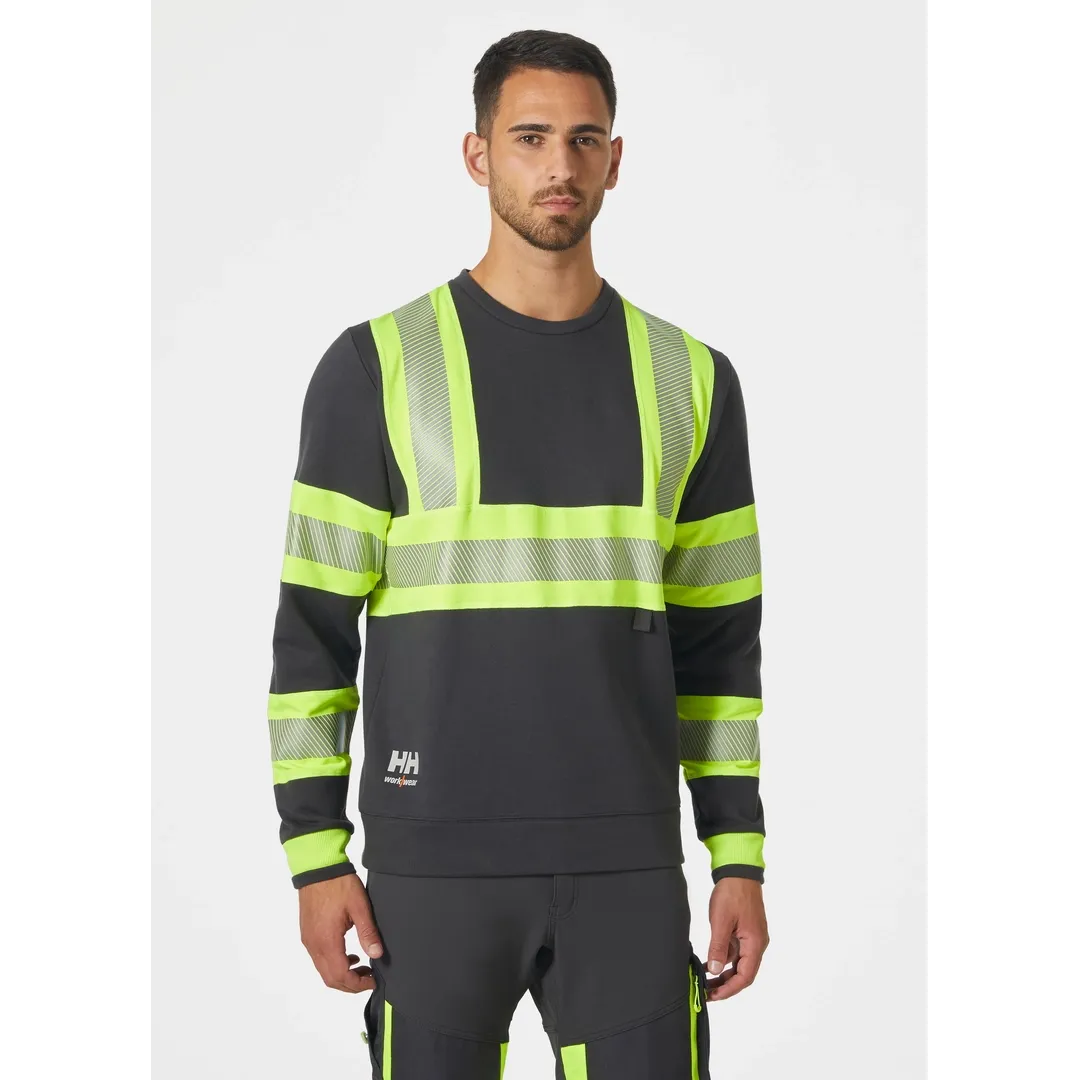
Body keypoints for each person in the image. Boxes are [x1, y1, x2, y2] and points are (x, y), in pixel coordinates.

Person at [266, 27, 769, 1079]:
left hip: (626, 866)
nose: (559, 166)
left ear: (615, 161)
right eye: (530, 137)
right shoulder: (376, 368)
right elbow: (312, 638)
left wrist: (738, 855)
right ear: (477, 154)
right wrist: (316, 855)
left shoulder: (692, 380)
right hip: (433, 866)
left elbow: (721, 650)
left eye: (584, 140)